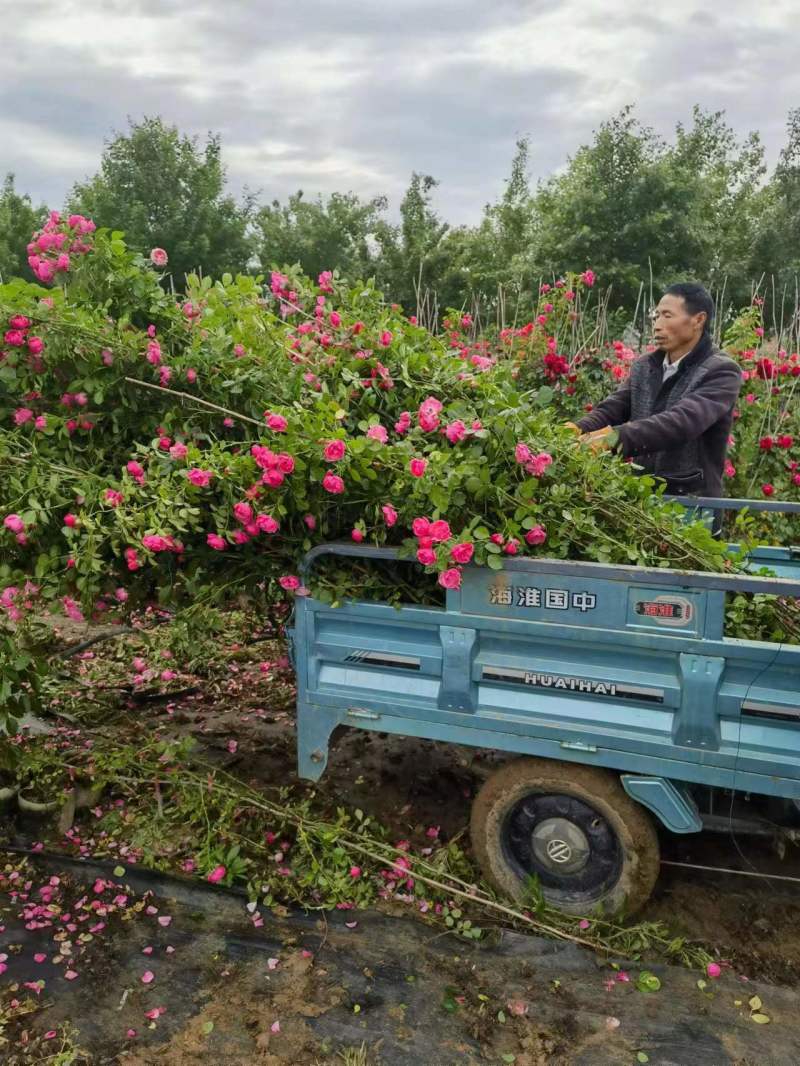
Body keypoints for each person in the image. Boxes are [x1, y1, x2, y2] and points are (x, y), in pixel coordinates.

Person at [569, 282, 742, 499]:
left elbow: (680, 423)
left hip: (692, 502)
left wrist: (610, 439)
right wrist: (573, 430)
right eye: (656, 316)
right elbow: (613, 409)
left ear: (698, 319)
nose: (657, 325)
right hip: (644, 499)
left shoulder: (721, 371)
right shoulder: (645, 366)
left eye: (667, 316)